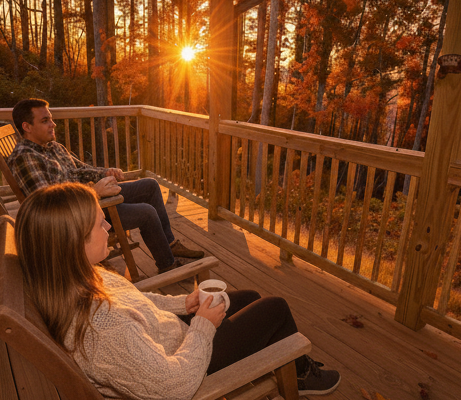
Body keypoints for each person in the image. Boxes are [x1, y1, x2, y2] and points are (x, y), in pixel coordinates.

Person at [15, 183, 341, 399]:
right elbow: (174, 386)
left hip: (169, 338)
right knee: (276, 308)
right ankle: (298, 373)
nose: (110, 227)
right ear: (74, 243)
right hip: (187, 365)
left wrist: (183, 303)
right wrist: (203, 325)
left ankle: (293, 365)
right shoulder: (103, 330)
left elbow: (135, 301)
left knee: (249, 298)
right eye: (100, 224)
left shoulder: (75, 277)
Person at [7, 98, 203, 273]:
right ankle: (167, 264)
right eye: (45, 121)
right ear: (27, 126)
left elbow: (80, 170)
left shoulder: (52, 146)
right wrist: (94, 192)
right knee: (147, 212)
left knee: (150, 186)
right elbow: (49, 205)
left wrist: (105, 172)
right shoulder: (26, 158)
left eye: (50, 118)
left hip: (93, 199)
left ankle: (169, 244)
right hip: (81, 215)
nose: (53, 124)